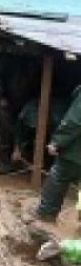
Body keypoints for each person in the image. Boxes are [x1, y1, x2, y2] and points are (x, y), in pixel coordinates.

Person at [33, 82, 81, 222]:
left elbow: (75, 121)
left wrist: (57, 141)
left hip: (76, 153)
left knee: (59, 175)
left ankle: (46, 213)